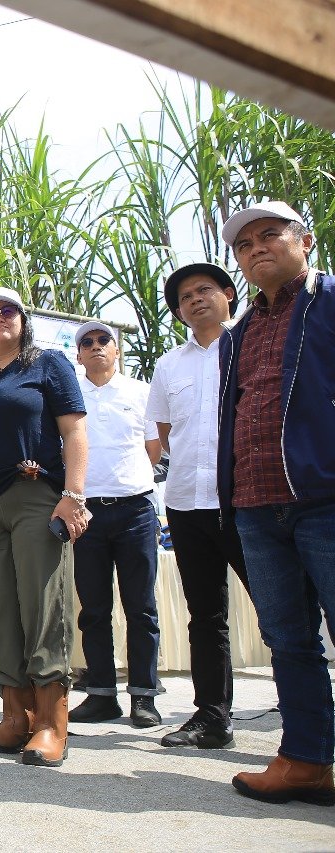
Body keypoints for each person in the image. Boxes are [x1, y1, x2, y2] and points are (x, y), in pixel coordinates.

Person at [216, 201, 335, 806]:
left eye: (271, 235)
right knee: (289, 639)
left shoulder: (331, 302)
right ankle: (307, 759)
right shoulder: (238, 334)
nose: (256, 249)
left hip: (325, 498)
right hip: (257, 504)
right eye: (243, 245)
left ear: (305, 241)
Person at [0, 286, 88, 768]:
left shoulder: (47, 363)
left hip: (38, 495)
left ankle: (52, 723)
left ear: (22, 318)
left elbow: (74, 429)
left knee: (43, 603)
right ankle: (15, 716)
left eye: (7, 310)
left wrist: (72, 496)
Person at [146, 261, 249, 750]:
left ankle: (307, 717)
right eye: (184, 298)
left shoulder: (252, 344)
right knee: (206, 615)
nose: (195, 300)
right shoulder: (170, 365)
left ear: (228, 293)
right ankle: (212, 717)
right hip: (187, 503)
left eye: (204, 290)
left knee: (285, 612)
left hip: (250, 501)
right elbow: (163, 436)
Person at [68, 321, 163, 728]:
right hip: (85, 512)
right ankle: (101, 694)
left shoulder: (141, 392)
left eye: (103, 340)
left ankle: (144, 695)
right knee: (93, 609)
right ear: (78, 354)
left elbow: (154, 451)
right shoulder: (70, 395)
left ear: (117, 349)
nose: (96, 347)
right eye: (86, 342)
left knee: (141, 607)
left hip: (135, 510)